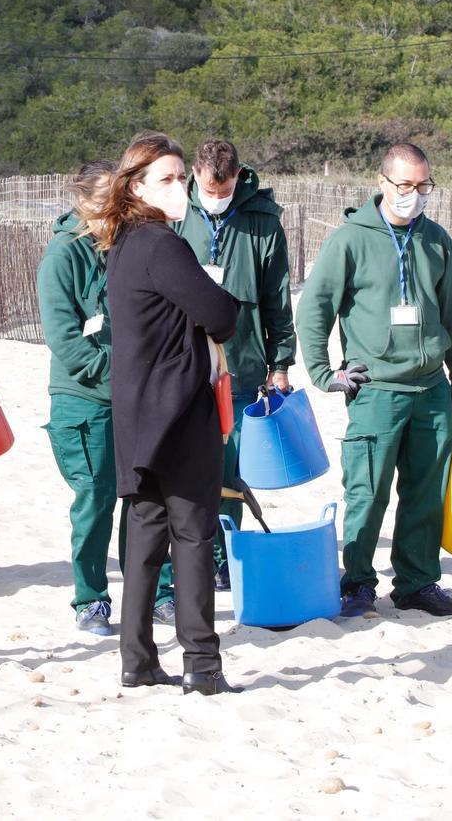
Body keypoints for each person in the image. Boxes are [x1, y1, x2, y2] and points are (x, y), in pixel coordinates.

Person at [296, 142, 452, 621]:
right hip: (375, 389)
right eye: (404, 185)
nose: (413, 195)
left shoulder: (437, 240)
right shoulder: (349, 240)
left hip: (430, 388)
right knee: (368, 491)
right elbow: (314, 309)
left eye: (423, 186)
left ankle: (418, 584)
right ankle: (357, 583)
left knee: (426, 493)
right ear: (382, 183)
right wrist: (323, 373)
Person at [92, 133, 240, 695]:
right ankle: (202, 665)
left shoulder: (126, 242)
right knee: (194, 535)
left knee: (145, 537)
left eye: (182, 177)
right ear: (136, 187)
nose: (180, 188)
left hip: (136, 412)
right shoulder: (161, 244)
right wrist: (213, 313)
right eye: (168, 179)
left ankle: (137, 659)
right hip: (177, 410)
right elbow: (221, 315)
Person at [39, 161, 175, 636]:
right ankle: (91, 599)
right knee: (95, 500)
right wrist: (116, 373)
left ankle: (158, 593)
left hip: (140, 396)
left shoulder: (137, 243)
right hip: (86, 398)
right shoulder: (63, 254)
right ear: (83, 201)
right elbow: (64, 337)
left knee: (146, 500)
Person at [174, 138, 294, 589]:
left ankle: (226, 556)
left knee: (231, 469)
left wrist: (280, 361)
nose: (217, 197)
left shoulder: (263, 223)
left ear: (238, 178)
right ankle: (190, 555)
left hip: (240, 364)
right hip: (182, 361)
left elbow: (277, 298)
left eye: (224, 191)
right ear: (195, 176)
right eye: (209, 189)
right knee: (185, 467)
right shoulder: (175, 212)